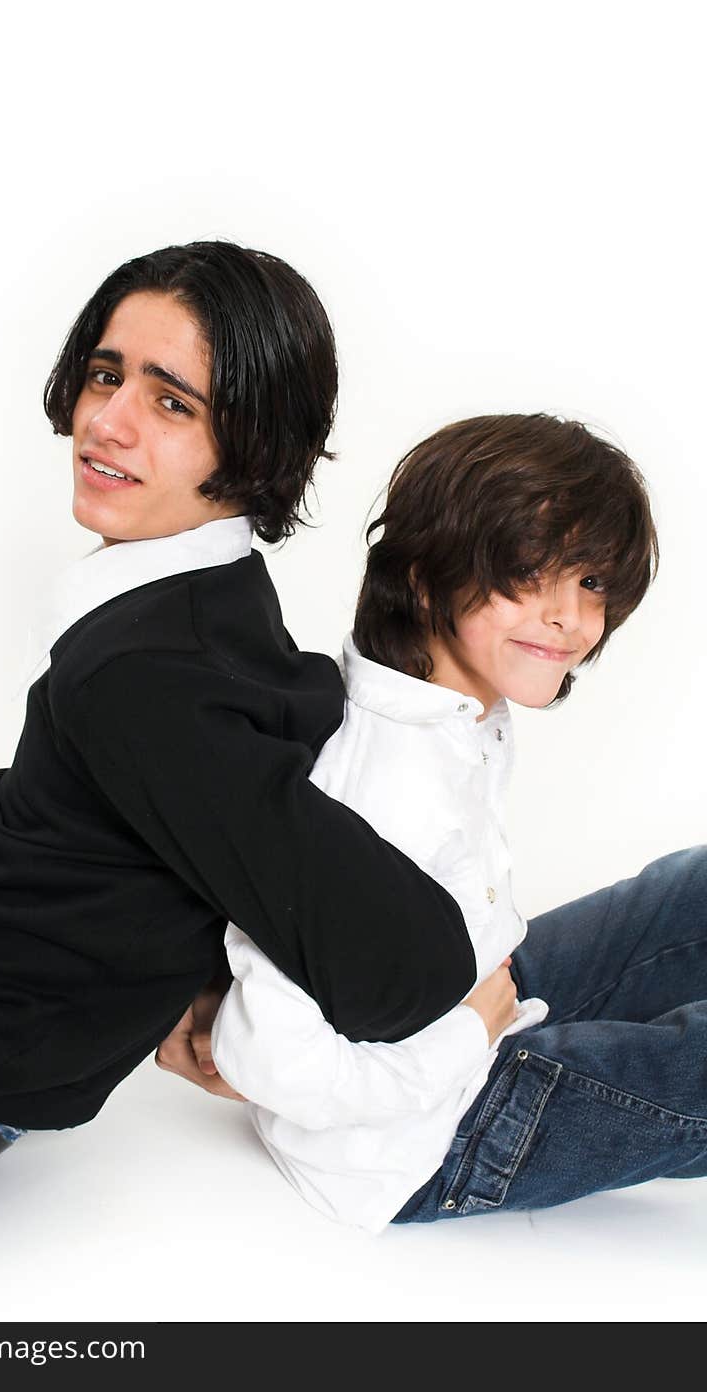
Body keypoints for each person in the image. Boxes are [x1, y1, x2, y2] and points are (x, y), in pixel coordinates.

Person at [0, 242, 475, 1248]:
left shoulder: (144, 681)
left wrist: (463, 1013)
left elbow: (408, 963)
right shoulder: (212, 607)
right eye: (105, 374)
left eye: (173, 403)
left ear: (253, 443)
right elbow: (149, 830)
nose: (106, 421)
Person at [175, 414, 705, 1231]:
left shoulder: (447, 713)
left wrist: (478, 1014)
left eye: (592, 582)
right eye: (530, 572)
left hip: (473, 1005)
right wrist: (470, 1033)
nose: (569, 617)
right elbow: (268, 1057)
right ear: (424, 578)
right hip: (434, 1139)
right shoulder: (383, 779)